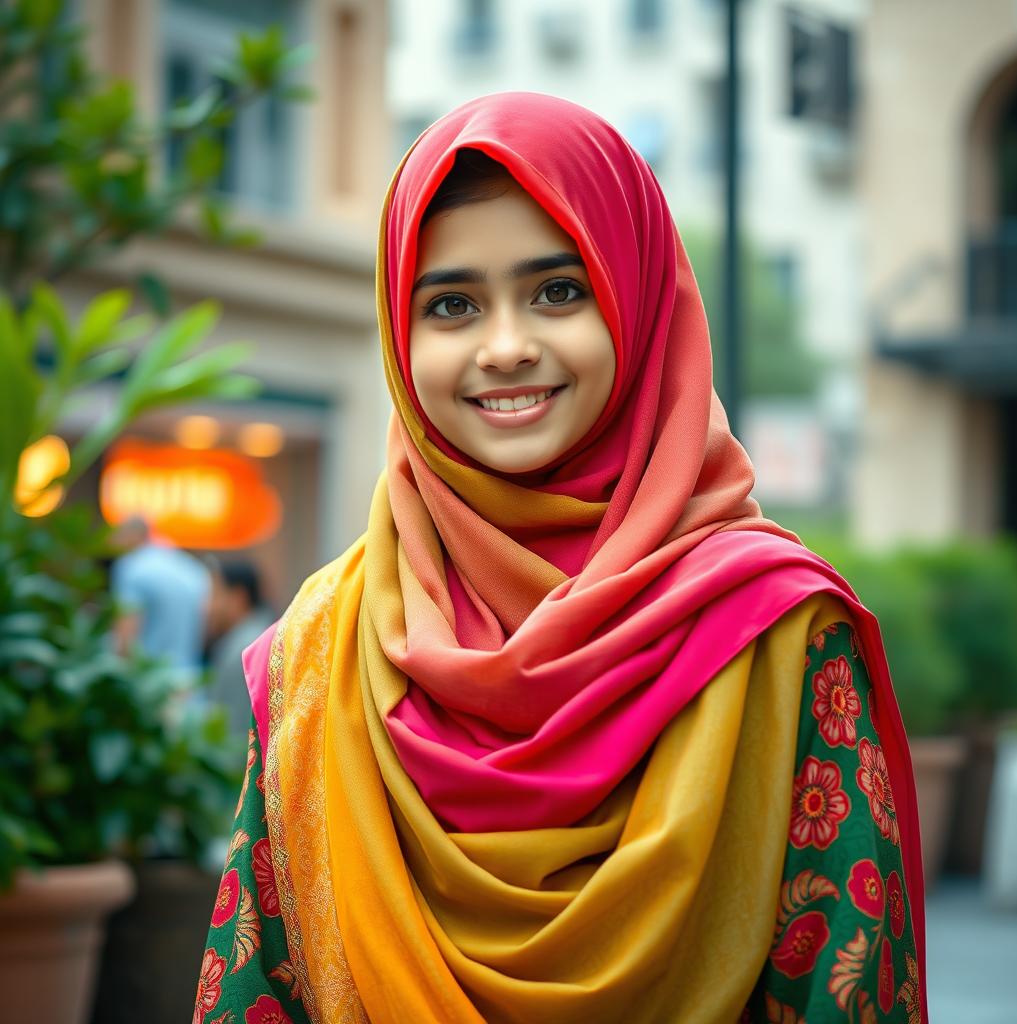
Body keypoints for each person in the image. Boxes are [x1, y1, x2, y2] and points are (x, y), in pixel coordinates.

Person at [193, 94, 926, 1024]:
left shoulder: (777, 633)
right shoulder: (318, 652)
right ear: (397, 332)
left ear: (642, 301)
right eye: (452, 304)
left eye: (558, 291)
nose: (506, 347)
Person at [110, 515, 210, 683]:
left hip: (149, 687)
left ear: (131, 536)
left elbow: (125, 638)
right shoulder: (192, 568)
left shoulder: (132, 567)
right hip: (189, 682)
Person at [205, 559, 276, 743]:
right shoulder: (259, 636)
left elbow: (232, 734)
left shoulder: (244, 649)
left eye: (214, 595)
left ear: (238, 597)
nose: (207, 608)